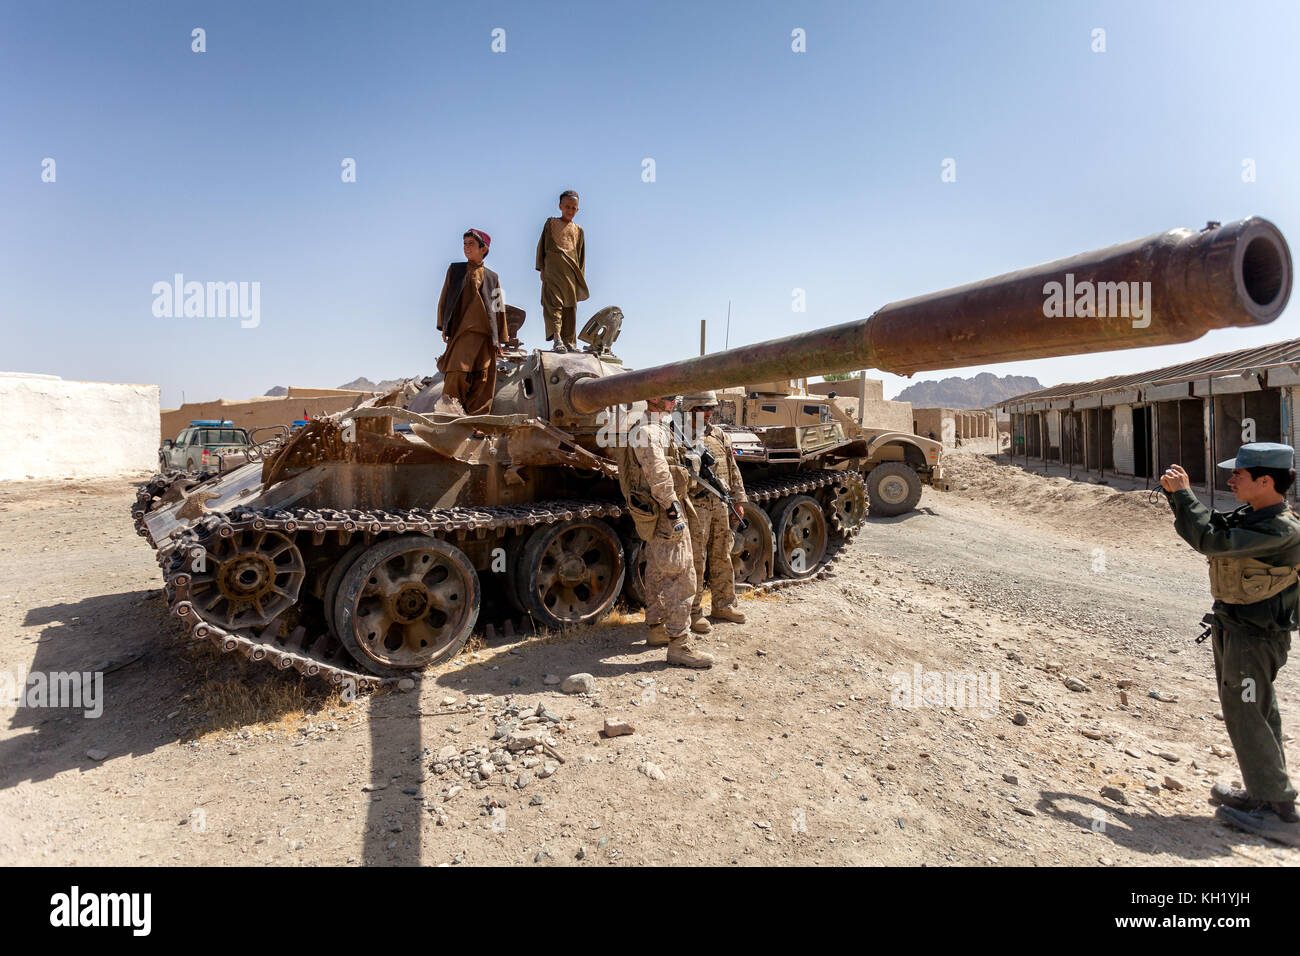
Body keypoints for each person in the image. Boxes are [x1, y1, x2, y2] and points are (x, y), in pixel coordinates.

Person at [1161, 443, 1300, 826]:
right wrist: (1179, 501)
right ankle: (1267, 793)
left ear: (1266, 480)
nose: (1230, 479)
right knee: (1253, 712)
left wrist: (1185, 495)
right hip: (1237, 631)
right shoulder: (1255, 517)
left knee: (1248, 713)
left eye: (1239, 474)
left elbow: (1212, 541)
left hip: (1256, 638)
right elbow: (1212, 530)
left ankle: (1275, 811)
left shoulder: (1281, 529)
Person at [614, 395, 712, 668]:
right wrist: (673, 508)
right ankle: (680, 644)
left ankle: (657, 627)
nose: (673, 401)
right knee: (682, 574)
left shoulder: (654, 427)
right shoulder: (646, 431)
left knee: (656, 570)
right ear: (652, 398)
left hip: (655, 510)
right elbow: (659, 475)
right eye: (668, 396)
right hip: (664, 510)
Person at [679, 391, 748, 634]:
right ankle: (694, 611)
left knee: (722, 555)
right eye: (701, 408)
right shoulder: (679, 436)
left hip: (720, 503)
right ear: (689, 409)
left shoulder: (718, 434)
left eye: (710, 408)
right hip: (695, 505)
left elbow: (732, 468)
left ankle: (723, 604)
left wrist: (738, 499)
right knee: (696, 560)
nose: (708, 413)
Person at [435, 229, 507, 415]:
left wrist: (500, 339)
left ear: (483, 249)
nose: (466, 247)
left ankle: (477, 421)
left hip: (485, 336)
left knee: (483, 379)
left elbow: (499, 308)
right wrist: (444, 325)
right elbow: (445, 298)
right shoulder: (456, 270)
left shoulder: (493, 277)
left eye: (471, 244)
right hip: (462, 332)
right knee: (456, 373)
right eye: (465, 243)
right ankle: (448, 415)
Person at [535, 190, 588, 353]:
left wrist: (580, 280)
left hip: (571, 274)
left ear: (577, 209)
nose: (570, 210)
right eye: (567, 207)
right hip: (553, 272)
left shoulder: (579, 230)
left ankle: (569, 341)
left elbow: (581, 258)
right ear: (560, 206)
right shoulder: (550, 223)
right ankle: (557, 339)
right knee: (554, 304)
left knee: (570, 308)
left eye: (573, 208)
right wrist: (541, 268)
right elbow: (541, 247)